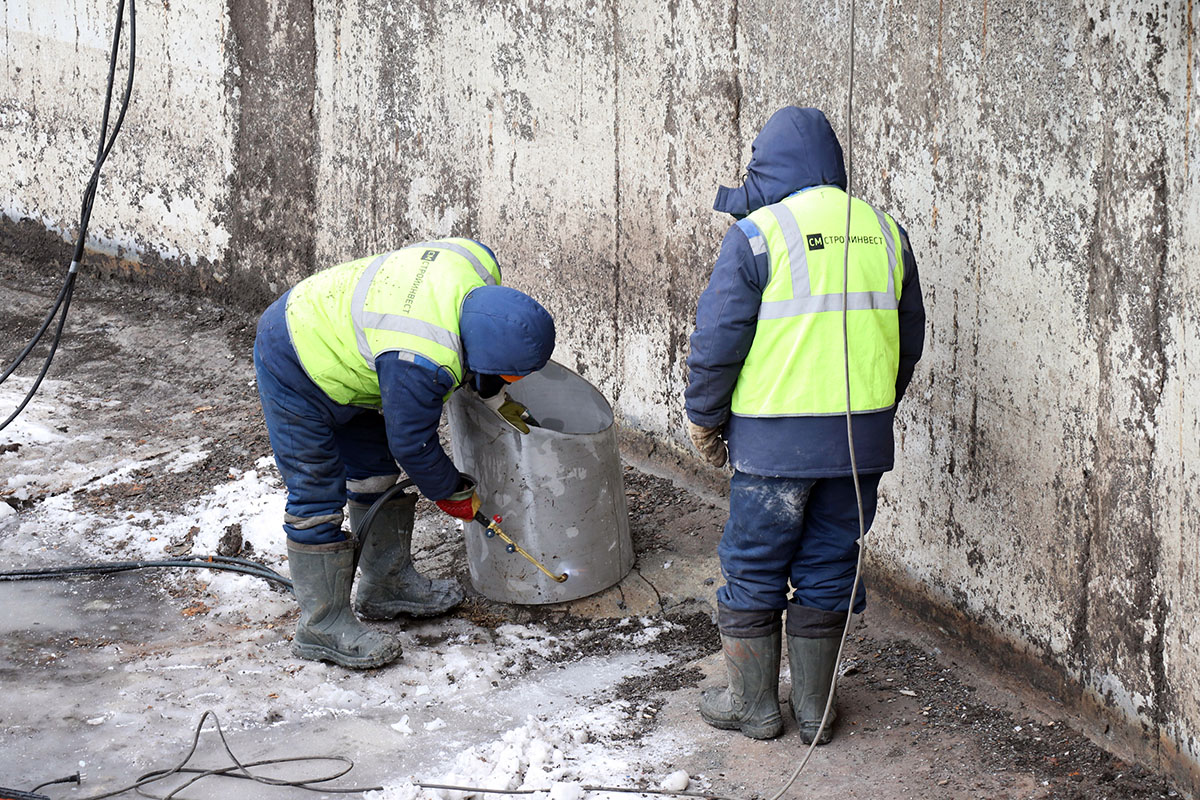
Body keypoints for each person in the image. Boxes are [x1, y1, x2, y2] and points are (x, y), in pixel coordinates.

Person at [685, 107, 925, 742]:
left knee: (755, 563)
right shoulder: (887, 231)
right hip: (858, 446)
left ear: (769, 166)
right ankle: (816, 714)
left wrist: (705, 418)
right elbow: (907, 342)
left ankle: (754, 706)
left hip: (773, 448)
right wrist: (872, 410)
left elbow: (718, 342)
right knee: (830, 563)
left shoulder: (758, 236)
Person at [254, 238, 555, 669]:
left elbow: (479, 364)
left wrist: (494, 393)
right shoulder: (423, 357)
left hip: (349, 347)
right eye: (508, 374)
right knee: (316, 488)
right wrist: (452, 492)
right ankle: (322, 624)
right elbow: (412, 444)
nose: (511, 380)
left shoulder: (477, 264)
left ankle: (385, 584)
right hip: (294, 355)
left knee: (374, 475)